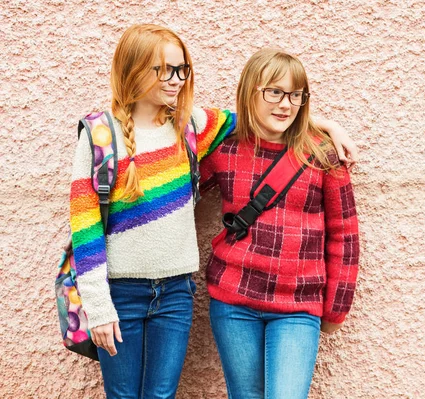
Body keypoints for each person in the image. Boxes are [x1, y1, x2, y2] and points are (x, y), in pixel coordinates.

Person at [69, 25, 357, 399]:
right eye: (164, 69)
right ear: (133, 68)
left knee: (161, 395)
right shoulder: (100, 135)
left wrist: (326, 124)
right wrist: (97, 305)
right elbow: (85, 225)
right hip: (124, 290)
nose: (176, 80)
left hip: (178, 292)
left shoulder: (189, 125)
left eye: (181, 69)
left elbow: (263, 119)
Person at [199, 48, 360, 399]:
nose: (286, 104)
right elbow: (179, 188)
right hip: (233, 302)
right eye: (274, 92)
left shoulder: (322, 156)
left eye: (295, 95)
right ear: (249, 93)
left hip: (296, 308)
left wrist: (336, 307)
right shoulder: (225, 150)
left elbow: (345, 237)